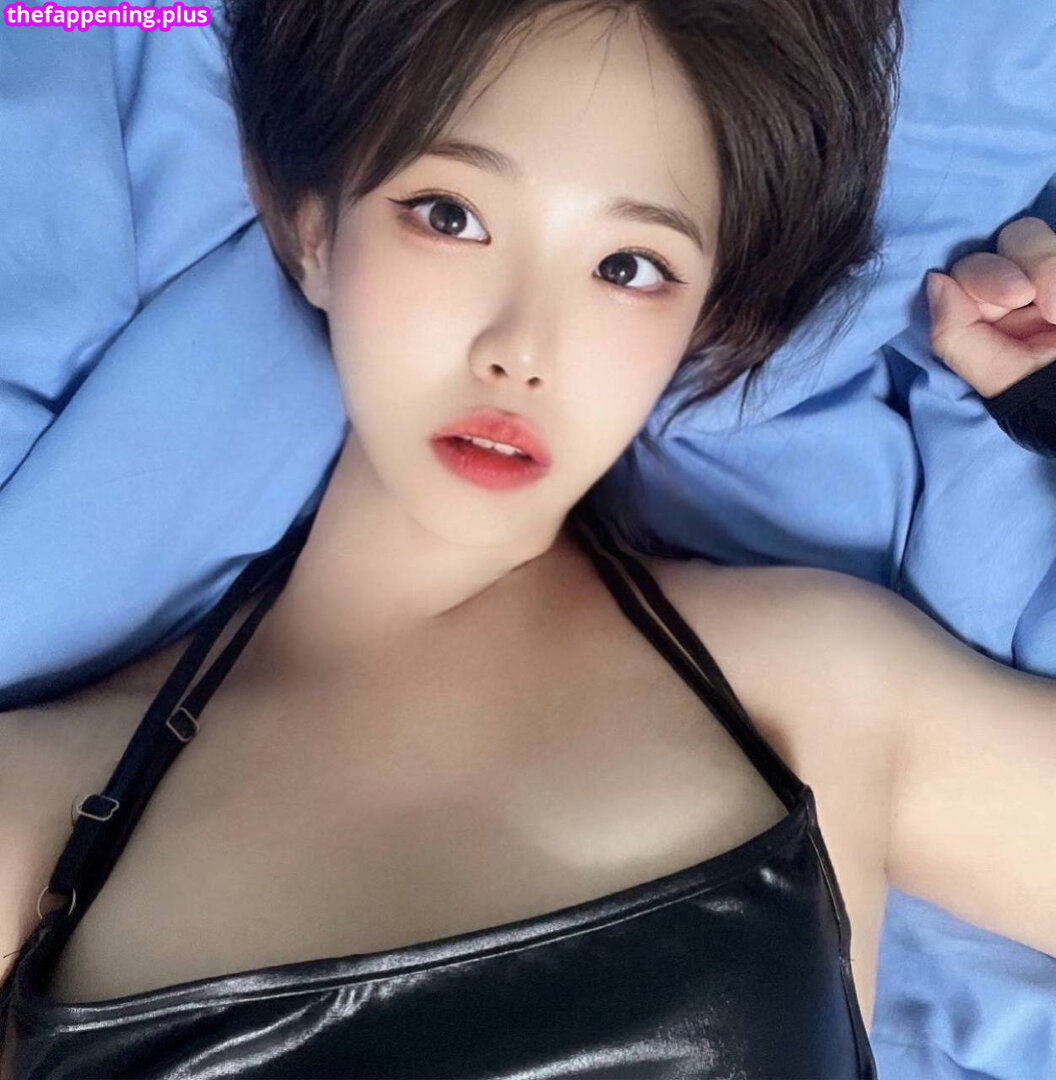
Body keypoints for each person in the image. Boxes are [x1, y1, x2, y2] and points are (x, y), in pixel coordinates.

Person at [1, 1, 1053, 1076]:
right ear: (313, 235)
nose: (522, 350)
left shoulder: (820, 678)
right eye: (450, 215)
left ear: (703, 320)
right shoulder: (31, 807)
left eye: (629, 267)